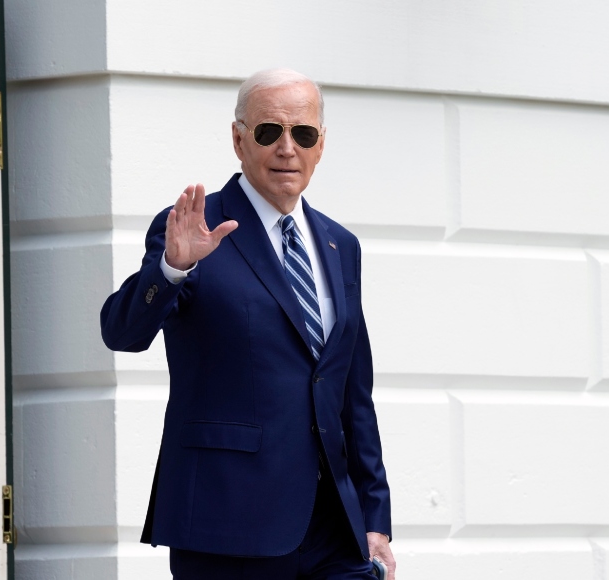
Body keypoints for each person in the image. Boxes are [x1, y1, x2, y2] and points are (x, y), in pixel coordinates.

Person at [100, 68, 396, 580]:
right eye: (268, 132)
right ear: (238, 139)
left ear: (320, 145)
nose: (287, 149)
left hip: (332, 529)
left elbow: (351, 389)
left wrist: (375, 516)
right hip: (228, 521)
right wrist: (173, 269)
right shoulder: (195, 227)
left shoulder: (339, 244)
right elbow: (121, 332)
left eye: (302, 134)